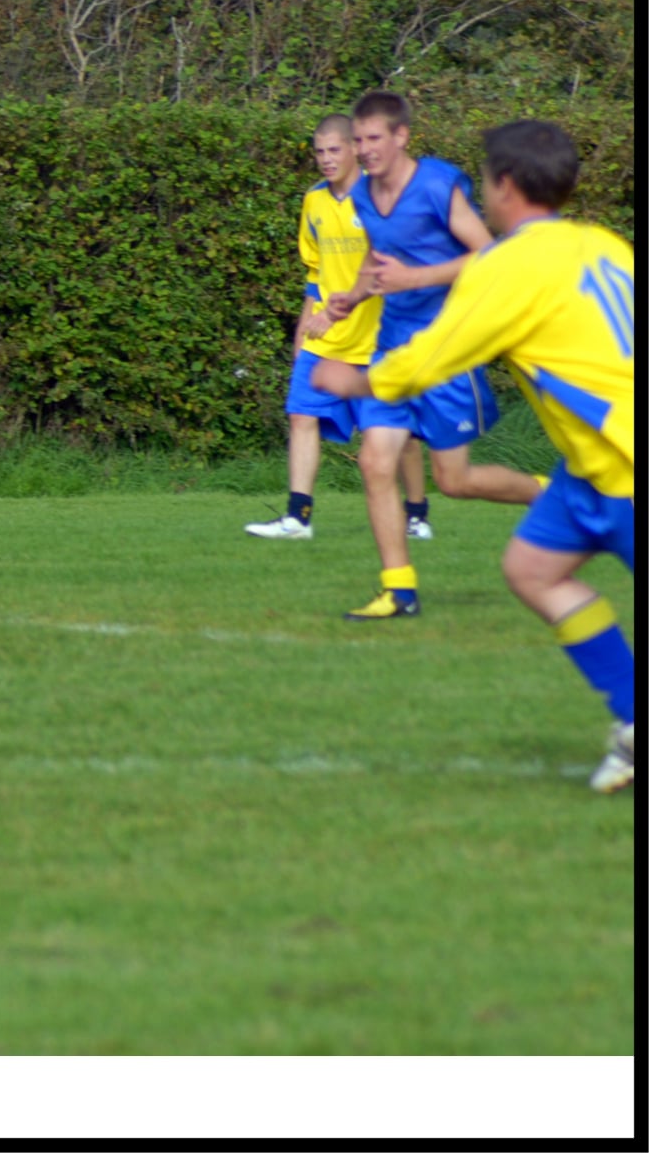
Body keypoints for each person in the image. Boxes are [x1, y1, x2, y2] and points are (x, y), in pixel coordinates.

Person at [314, 121, 633, 792]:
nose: (481, 193)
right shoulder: (603, 244)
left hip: (626, 460)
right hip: (591, 467)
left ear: (506, 186)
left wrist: (358, 380)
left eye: (484, 180)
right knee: (532, 567)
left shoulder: (512, 262)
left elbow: (442, 350)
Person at [320, 92, 540, 619]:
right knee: (375, 461)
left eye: (375, 139)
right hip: (392, 347)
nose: (365, 150)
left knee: (453, 481)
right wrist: (352, 297)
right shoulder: (364, 198)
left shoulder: (439, 186)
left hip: (446, 347)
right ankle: (399, 590)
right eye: (359, 140)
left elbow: (490, 257)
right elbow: (379, 260)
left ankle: (553, 493)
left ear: (402, 137)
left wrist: (416, 278)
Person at [245, 114, 432, 541]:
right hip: (325, 336)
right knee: (301, 415)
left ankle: (417, 514)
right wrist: (303, 331)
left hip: (380, 338)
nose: (326, 159)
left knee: (397, 434)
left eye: (334, 150)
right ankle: (298, 518)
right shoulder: (313, 202)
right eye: (319, 152)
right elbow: (315, 276)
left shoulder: (382, 198)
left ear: (354, 150)